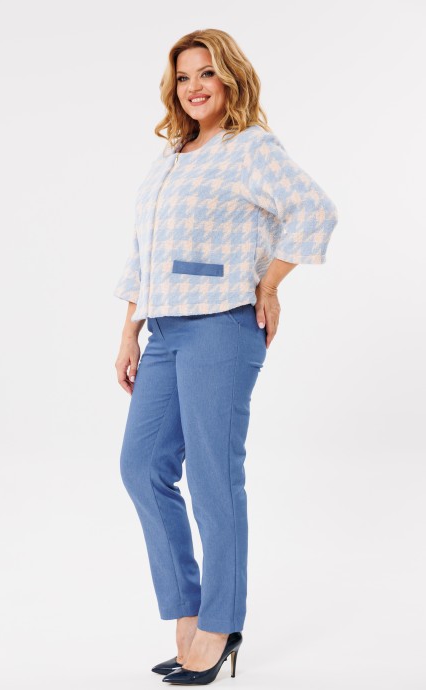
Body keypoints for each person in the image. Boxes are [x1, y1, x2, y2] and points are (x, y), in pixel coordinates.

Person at [113, 28, 338, 685]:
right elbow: (143, 251)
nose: (195, 87)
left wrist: (269, 284)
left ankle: (221, 622)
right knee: (141, 466)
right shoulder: (171, 156)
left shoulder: (251, 147)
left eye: (207, 73)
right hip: (164, 332)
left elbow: (315, 211)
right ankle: (187, 608)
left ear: (230, 78)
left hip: (220, 326)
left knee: (213, 476)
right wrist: (129, 330)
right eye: (184, 77)